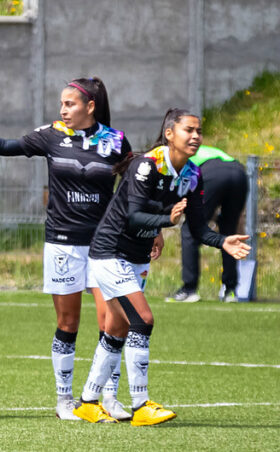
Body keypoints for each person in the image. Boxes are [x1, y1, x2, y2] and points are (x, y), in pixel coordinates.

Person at [0, 77, 137, 420]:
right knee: (68, 322)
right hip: (63, 244)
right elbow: (6, 146)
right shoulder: (51, 134)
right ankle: (64, 400)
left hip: (105, 244)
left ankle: (107, 397)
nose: (63, 109)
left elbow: (132, 191)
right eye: (62, 104)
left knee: (113, 321)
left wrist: (149, 228)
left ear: (90, 107)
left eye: (70, 104)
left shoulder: (116, 141)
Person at [73, 108, 250, 425]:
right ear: (170, 134)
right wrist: (166, 220)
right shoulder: (147, 165)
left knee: (117, 328)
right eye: (188, 130)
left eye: (198, 131)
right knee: (143, 318)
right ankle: (141, 405)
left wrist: (222, 241)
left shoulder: (193, 174)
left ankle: (87, 401)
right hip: (110, 252)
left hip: (137, 256)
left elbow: (197, 229)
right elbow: (133, 215)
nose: (195, 136)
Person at [167, 145, 248, 302]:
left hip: (212, 173)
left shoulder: (173, 153)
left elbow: (178, 188)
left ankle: (189, 289)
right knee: (229, 231)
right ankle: (230, 290)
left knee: (190, 230)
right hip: (239, 172)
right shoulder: (201, 148)